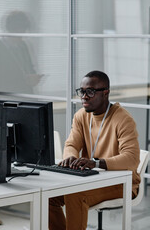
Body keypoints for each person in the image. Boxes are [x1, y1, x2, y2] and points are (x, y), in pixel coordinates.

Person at [49, 71, 140, 230]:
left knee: (75, 194)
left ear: (106, 93)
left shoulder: (123, 119)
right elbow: (71, 145)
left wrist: (96, 163)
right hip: (90, 179)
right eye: (82, 91)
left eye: (90, 91)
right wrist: (71, 157)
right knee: (49, 196)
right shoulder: (81, 116)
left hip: (121, 183)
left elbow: (131, 158)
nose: (84, 96)